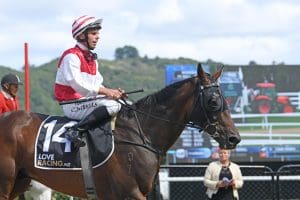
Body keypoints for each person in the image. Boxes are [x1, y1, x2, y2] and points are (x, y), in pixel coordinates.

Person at [54, 15, 126, 148]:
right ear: (81, 35)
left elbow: (97, 85)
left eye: (98, 33)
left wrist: (113, 93)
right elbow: (78, 84)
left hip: (85, 102)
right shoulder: (71, 56)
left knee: (123, 103)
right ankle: (75, 130)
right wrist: (106, 92)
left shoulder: (92, 59)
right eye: (93, 33)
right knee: (112, 106)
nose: (97, 37)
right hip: (72, 104)